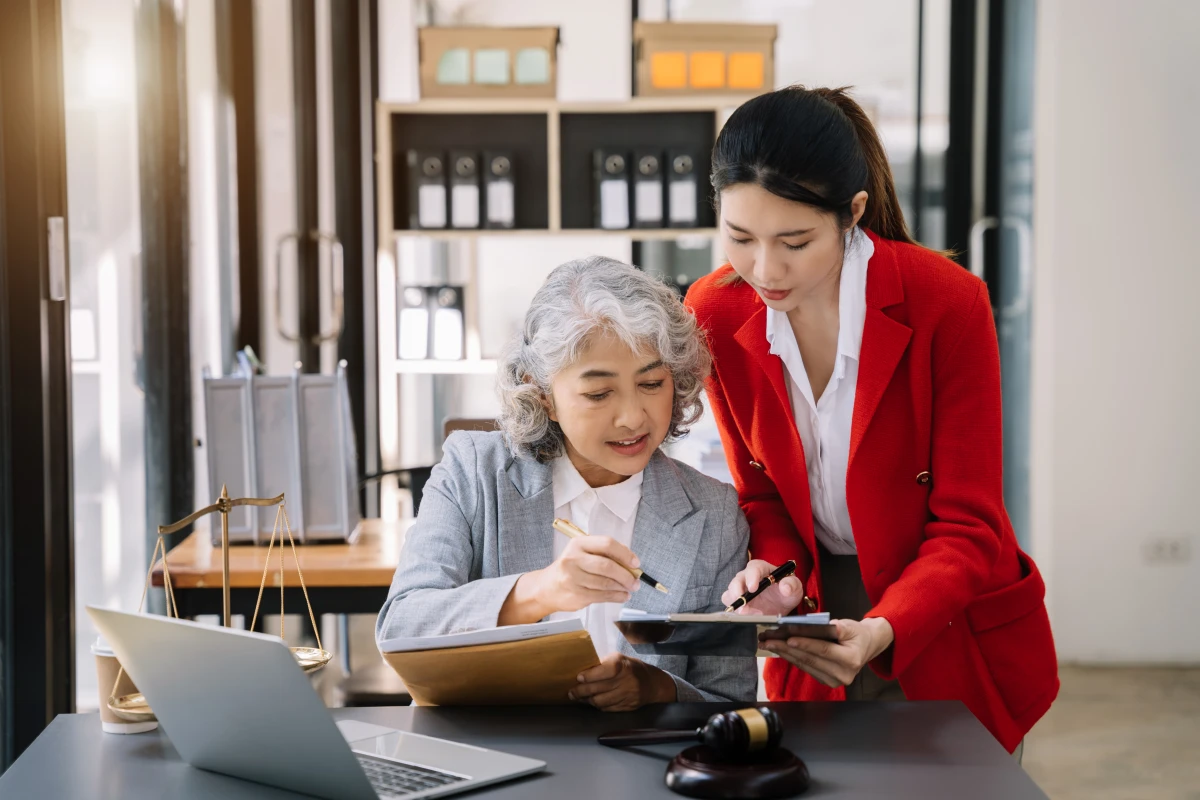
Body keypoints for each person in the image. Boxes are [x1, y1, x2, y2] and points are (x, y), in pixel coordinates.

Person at [684, 85, 1058, 754]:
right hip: (818, 615)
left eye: (794, 240)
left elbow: (970, 528)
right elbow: (762, 492)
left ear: (852, 213)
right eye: (740, 237)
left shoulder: (946, 302)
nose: (764, 269)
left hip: (942, 609)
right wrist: (773, 571)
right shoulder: (716, 310)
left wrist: (885, 628)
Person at [378, 256, 756, 710]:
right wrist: (539, 590)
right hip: (494, 756)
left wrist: (657, 689)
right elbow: (402, 626)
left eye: (652, 383)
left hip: (642, 767)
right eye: (599, 394)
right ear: (543, 395)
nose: (633, 417)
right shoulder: (474, 471)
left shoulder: (713, 514)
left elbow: (732, 700)